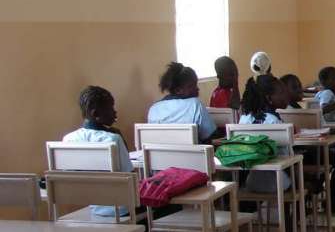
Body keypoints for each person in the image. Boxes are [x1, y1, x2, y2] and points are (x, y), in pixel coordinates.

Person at [63, 86, 133, 216]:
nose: (115, 112)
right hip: (119, 208)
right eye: (111, 108)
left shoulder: (68, 139)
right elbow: (129, 177)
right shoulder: (113, 138)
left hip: (90, 205)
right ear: (96, 114)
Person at [148, 62, 220, 142]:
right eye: (192, 86)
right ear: (178, 90)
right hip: (192, 153)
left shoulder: (154, 109)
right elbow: (211, 136)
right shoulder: (195, 105)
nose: (197, 89)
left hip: (161, 153)